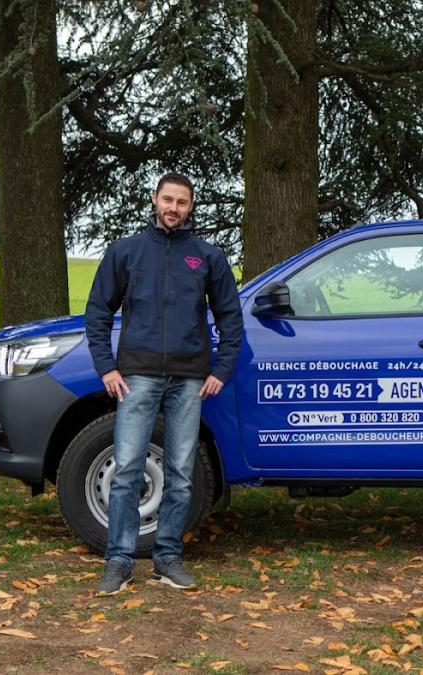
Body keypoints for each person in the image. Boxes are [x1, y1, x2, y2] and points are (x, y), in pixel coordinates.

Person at [84, 173, 243, 595]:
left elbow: (231, 319)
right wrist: (107, 367)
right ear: (155, 199)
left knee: (181, 473)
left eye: (183, 202)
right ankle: (118, 561)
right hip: (137, 377)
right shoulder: (127, 252)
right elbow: (98, 311)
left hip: (190, 381)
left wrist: (220, 371)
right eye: (168, 199)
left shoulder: (207, 257)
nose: (174, 208)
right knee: (127, 470)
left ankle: (167, 558)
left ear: (191, 207)